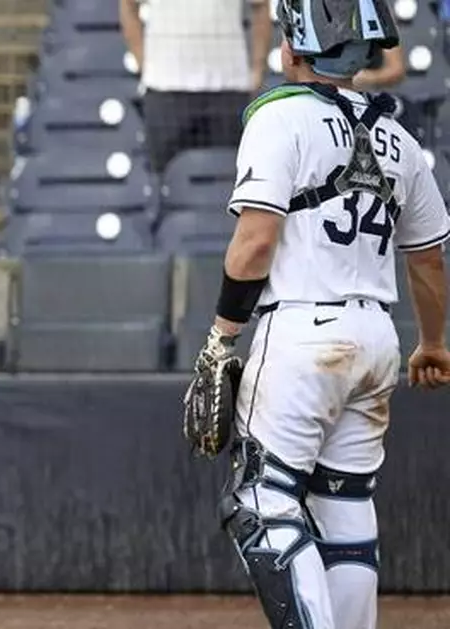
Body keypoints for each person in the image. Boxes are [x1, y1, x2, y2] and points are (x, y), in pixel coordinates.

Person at [184, 1, 450, 628]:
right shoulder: (399, 136)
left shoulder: (280, 120)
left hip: (302, 331)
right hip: (377, 335)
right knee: (345, 505)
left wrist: (222, 335)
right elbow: (430, 260)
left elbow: (254, 242)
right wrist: (433, 343)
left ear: (293, 47)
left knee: (263, 502)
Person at [119, 0, 273, 173]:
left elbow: (260, 7)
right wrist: (144, 65)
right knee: (163, 184)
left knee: (230, 185)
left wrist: (259, 68)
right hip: (164, 92)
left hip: (228, 91)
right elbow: (128, 6)